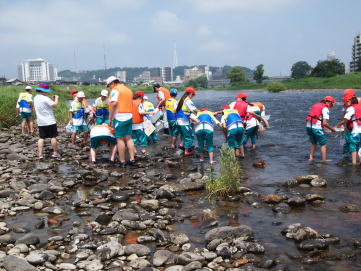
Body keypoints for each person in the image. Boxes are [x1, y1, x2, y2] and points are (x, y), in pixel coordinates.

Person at [107, 76, 136, 167]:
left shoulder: (116, 90)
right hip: (129, 116)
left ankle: (122, 161)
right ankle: (132, 159)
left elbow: (113, 104)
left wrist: (110, 118)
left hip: (120, 117)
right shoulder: (127, 90)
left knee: (119, 139)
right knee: (129, 138)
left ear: (113, 83)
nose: (109, 88)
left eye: (109, 86)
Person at [33, 83, 60, 159]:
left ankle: (40, 154)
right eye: (46, 91)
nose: (47, 92)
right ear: (43, 91)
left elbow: (46, 105)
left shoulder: (35, 98)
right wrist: (56, 98)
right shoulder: (45, 98)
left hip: (41, 122)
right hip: (50, 121)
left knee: (41, 138)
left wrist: (52, 100)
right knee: (53, 137)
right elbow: (55, 105)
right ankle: (55, 153)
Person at [306, 96, 336, 162]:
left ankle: (310, 158)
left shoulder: (315, 105)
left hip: (308, 127)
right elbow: (325, 123)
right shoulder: (325, 109)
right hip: (316, 128)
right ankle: (324, 160)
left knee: (313, 143)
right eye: (331, 105)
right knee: (323, 144)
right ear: (329, 103)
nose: (331, 106)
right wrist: (332, 129)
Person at [335, 96, 361, 165]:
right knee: (359, 147)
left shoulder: (351, 108)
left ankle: (354, 164)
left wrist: (336, 126)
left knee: (354, 147)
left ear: (351, 102)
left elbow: (344, 120)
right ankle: (359, 162)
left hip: (356, 131)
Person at [176, 87, 198, 156]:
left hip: (178, 121)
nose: (193, 96)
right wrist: (204, 112)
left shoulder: (181, 99)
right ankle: (186, 151)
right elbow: (195, 110)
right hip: (184, 122)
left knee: (183, 134)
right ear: (191, 93)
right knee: (190, 135)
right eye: (193, 95)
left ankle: (181, 145)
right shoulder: (188, 100)